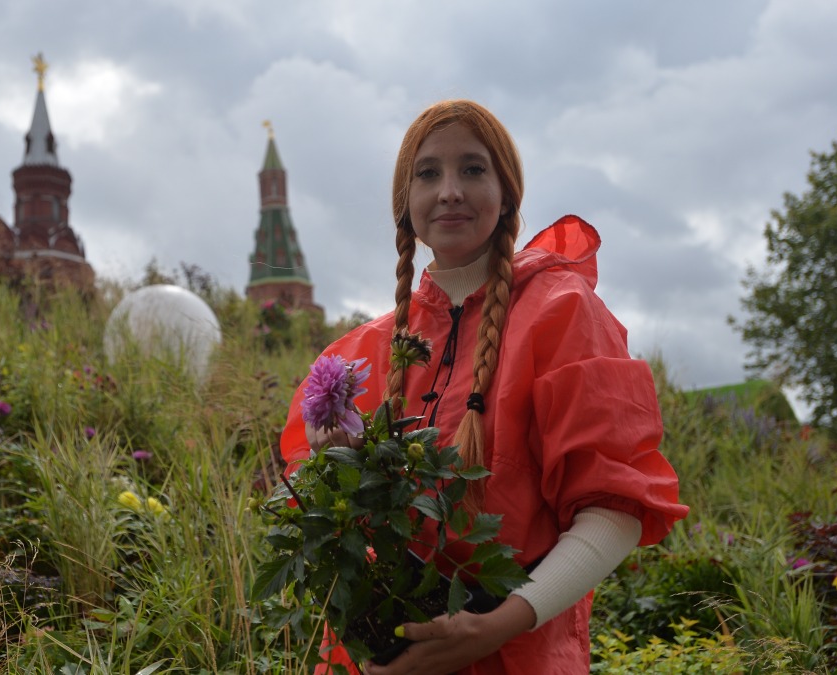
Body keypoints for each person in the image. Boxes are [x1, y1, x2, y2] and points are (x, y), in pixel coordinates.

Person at [280, 100, 689, 674]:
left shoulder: (562, 313)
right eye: (428, 173)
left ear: (507, 196)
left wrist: (496, 626)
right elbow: (326, 528)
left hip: (516, 656)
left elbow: (613, 508)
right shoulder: (354, 358)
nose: (449, 191)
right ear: (405, 204)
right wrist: (334, 471)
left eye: (473, 169)